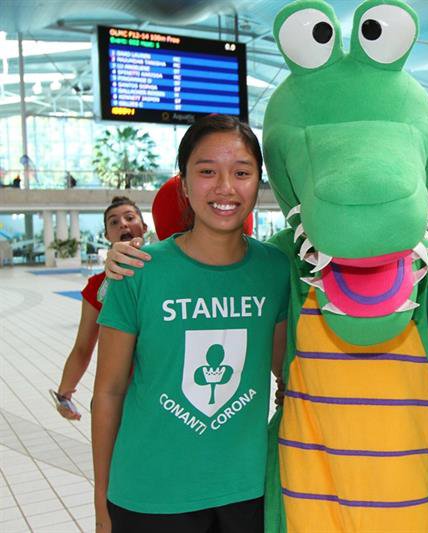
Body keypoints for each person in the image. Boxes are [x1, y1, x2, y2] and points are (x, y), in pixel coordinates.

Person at [92, 115, 290, 532]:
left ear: (259, 182)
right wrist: (101, 505)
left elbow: (286, 377)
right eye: (206, 171)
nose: (225, 187)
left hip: (248, 492)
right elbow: (108, 392)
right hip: (149, 495)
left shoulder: (276, 269)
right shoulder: (137, 271)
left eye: (241, 172)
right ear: (183, 183)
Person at [54, 196, 147, 420]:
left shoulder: (166, 272)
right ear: (107, 236)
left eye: (129, 217)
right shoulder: (98, 286)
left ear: (144, 227)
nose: (123, 224)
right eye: (113, 222)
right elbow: (83, 347)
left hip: (162, 393)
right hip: (117, 396)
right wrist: (64, 395)